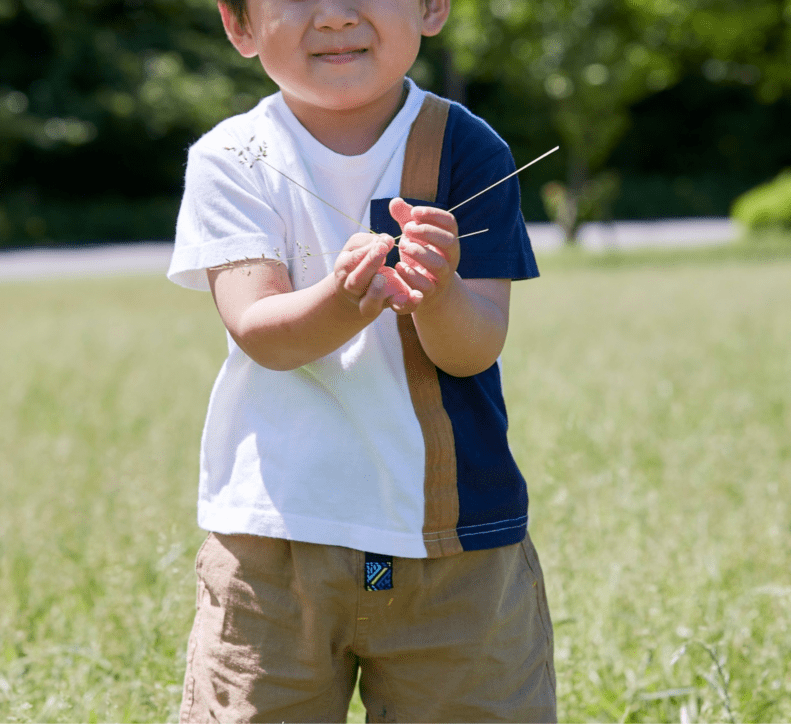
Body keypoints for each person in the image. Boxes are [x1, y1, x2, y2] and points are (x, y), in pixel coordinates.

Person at [166, 0, 555, 720]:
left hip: (454, 543)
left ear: (433, 7)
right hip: (275, 542)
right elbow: (261, 330)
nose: (336, 16)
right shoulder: (233, 158)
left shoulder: (466, 149)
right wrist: (345, 300)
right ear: (240, 25)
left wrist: (436, 294)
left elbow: (474, 349)